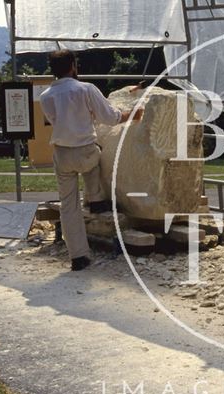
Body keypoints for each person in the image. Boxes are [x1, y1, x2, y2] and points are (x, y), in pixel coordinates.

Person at [40, 50, 142, 271]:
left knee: (68, 205)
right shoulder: (86, 89)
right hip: (86, 151)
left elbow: (55, 121)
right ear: (73, 66)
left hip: (62, 153)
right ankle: (96, 198)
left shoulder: (46, 95)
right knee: (96, 159)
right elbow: (110, 117)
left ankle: (78, 256)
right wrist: (132, 114)